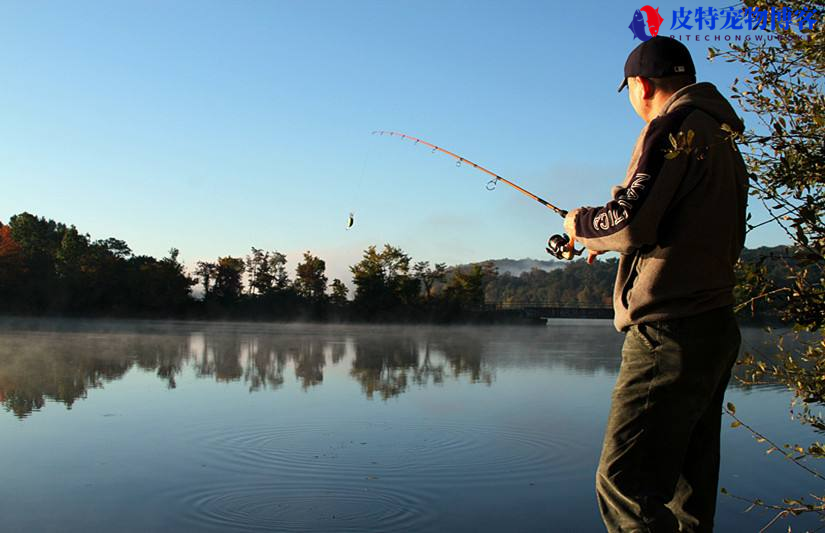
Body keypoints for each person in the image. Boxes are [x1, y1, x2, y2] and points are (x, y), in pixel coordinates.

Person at [559, 36, 749, 531]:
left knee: (624, 485)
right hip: (712, 327)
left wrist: (581, 225)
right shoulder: (720, 136)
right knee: (689, 490)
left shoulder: (673, 127)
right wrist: (613, 239)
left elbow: (631, 218)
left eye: (628, 91)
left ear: (641, 85)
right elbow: (673, 222)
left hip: (668, 331)